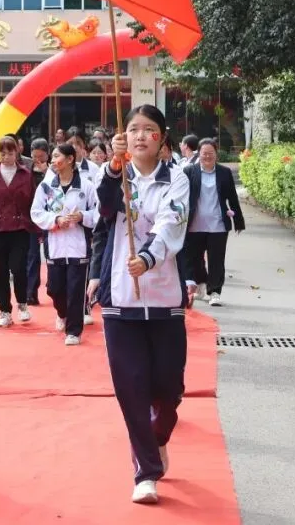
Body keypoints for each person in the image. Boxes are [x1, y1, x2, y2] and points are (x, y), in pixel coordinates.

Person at [87, 104, 190, 504]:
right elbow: (103, 209)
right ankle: (145, 470)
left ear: (162, 138)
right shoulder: (114, 174)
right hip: (120, 298)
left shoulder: (177, 179)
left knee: (169, 387)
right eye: (133, 129)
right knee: (131, 386)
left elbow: (171, 223)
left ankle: (157, 434)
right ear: (123, 137)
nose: (140, 136)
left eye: (149, 130)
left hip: (164, 294)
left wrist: (147, 257)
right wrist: (114, 168)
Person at [30, 143, 98, 345]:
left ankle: (74, 331)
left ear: (70, 159)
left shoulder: (86, 186)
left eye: (57, 156)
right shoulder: (46, 186)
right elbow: (36, 212)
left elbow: (98, 213)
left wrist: (82, 216)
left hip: (78, 246)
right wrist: (56, 219)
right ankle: (62, 313)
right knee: (54, 289)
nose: (53, 160)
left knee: (76, 290)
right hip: (56, 245)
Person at [182, 137, 245, 307]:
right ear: (199, 154)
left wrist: (238, 221)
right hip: (195, 224)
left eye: (211, 153)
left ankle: (215, 291)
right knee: (195, 259)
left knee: (216, 259)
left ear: (216, 154)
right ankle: (201, 285)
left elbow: (232, 197)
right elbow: (181, 197)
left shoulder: (224, 173)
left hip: (217, 224)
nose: (207, 157)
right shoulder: (189, 172)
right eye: (204, 154)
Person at [0, 136, 36, 327]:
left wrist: (36, 227)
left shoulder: (26, 174)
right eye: (2, 153)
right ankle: (4, 310)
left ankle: (22, 304)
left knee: (19, 268)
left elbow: (32, 200)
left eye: (10, 152)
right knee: (1, 272)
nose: (6, 157)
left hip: (20, 227)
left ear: (17, 153)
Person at [26, 138, 51, 305]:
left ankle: (54, 286)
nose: (38, 160)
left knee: (51, 255)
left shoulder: (54, 170)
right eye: (35, 156)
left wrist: (46, 173)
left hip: (50, 218)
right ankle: (31, 292)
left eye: (41, 156)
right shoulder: (26, 169)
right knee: (32, 256)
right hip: (31, 219)